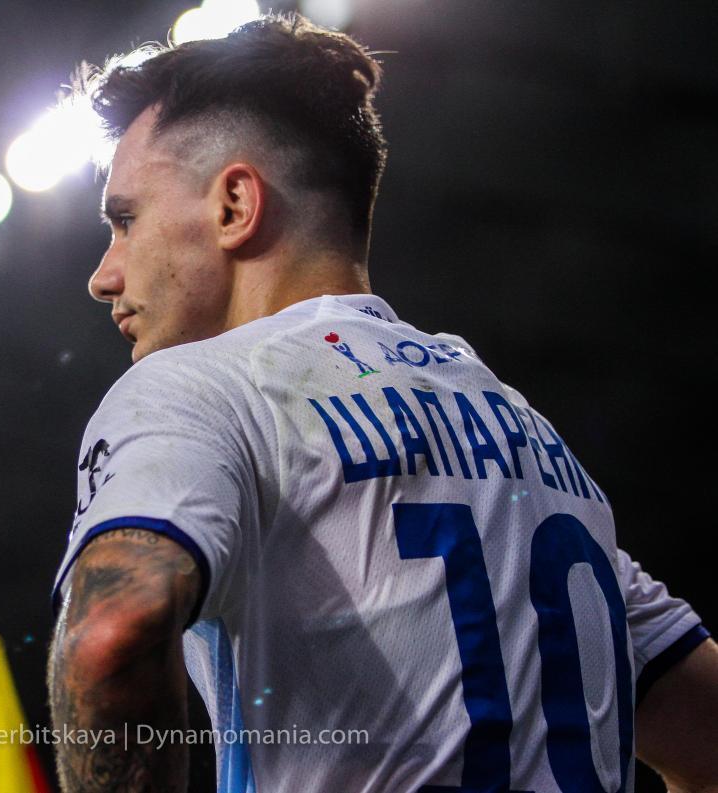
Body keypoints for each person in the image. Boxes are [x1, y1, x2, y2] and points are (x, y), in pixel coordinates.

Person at [46, 13, 716, 793]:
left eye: (126, 220)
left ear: (234, 205)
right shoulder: (526, 434)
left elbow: (110, 633)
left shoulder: (200, 389)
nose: (103, 275)